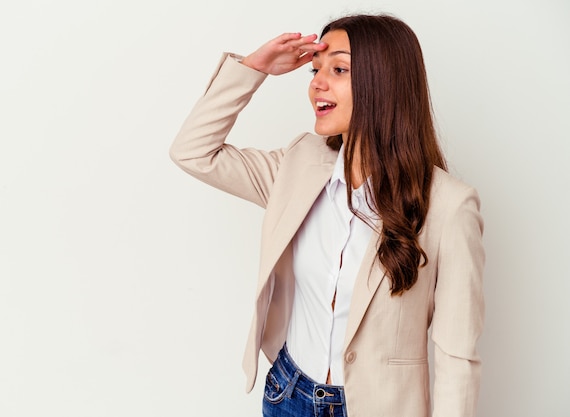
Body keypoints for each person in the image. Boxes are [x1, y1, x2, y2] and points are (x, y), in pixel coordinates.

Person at [169, 13, 485, 417]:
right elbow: (193, 152)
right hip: (290, 395)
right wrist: (254, 68)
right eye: (316, 69)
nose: (317, 82)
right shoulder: (298, 165)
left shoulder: (449, 206)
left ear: (382, 83)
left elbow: (457, 355)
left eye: (339, 69)